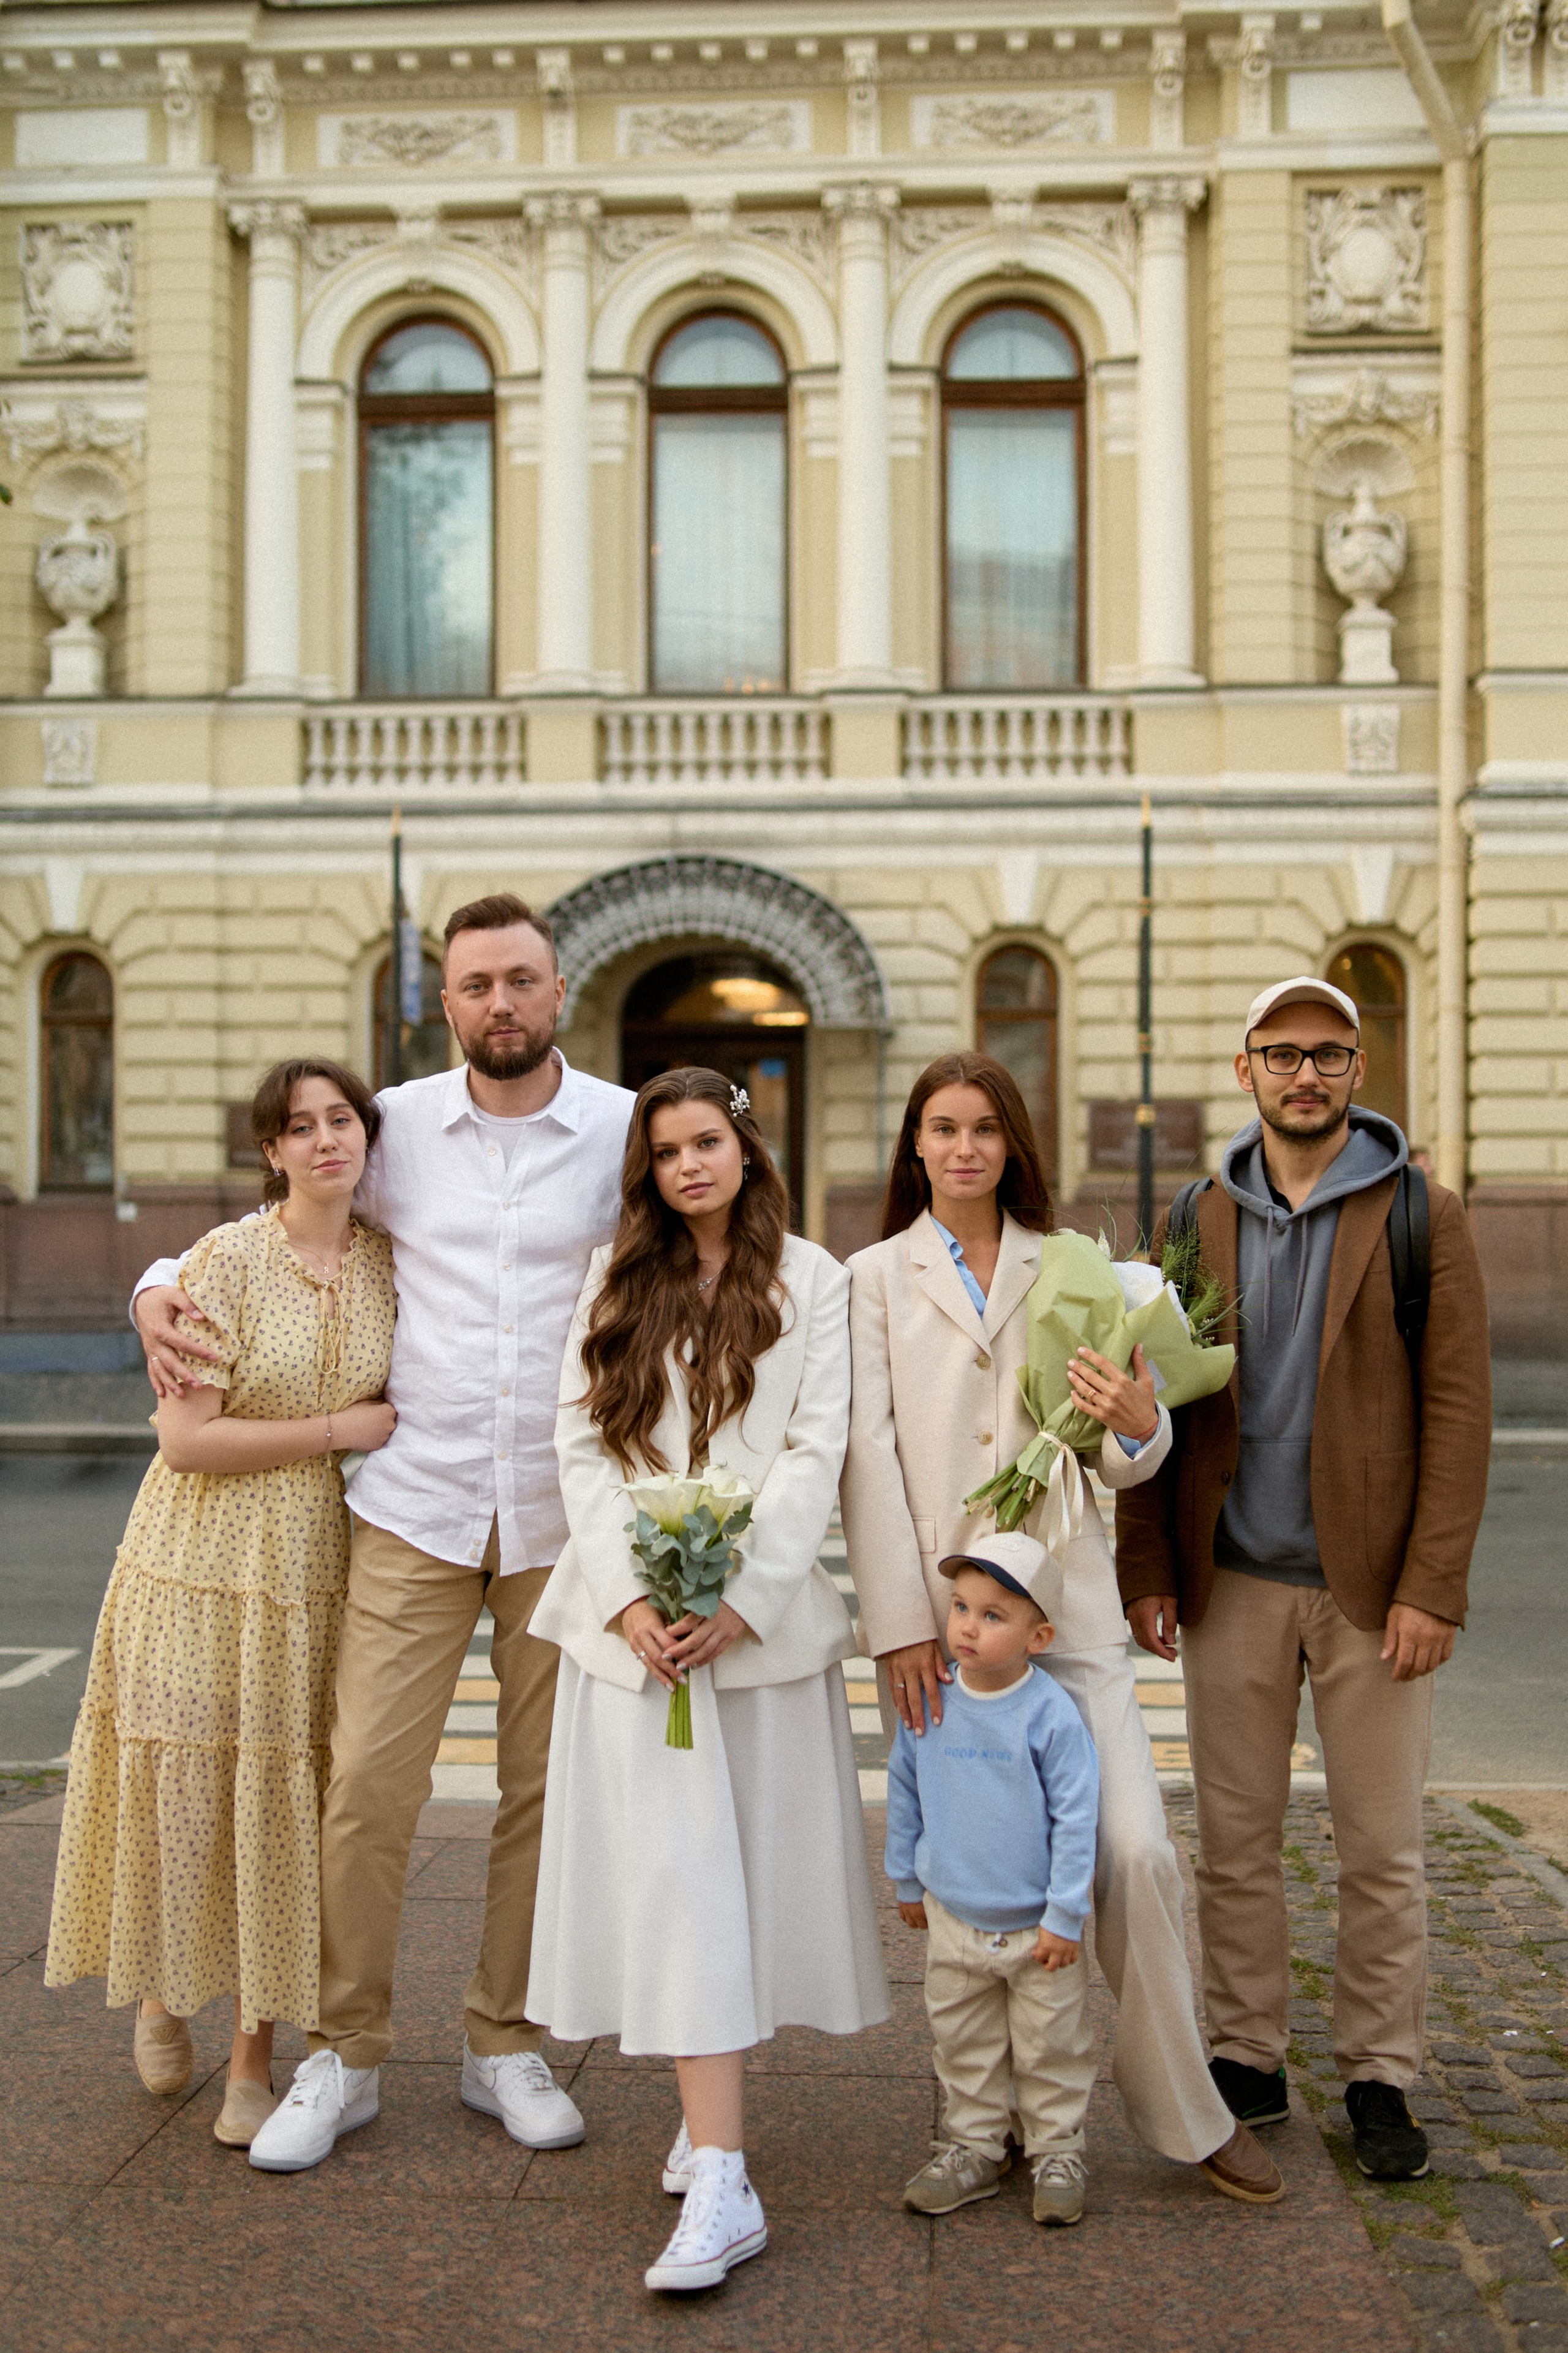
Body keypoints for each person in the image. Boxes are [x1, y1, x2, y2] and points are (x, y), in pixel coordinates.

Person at [127, 894, 633, 2173]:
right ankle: (343, 2052)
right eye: (476, 985)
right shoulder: (393, 1126)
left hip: (558, 1520)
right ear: (445, 1001)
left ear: (558, 988)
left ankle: (499, 2041)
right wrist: (150, 1291)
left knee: (542, 1793)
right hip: (411, 1506)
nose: (500, 1004)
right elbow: (257, 1225)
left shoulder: (622, 1132)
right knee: (362, 1789)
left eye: (521, 979)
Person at [841, 1050, 1285, 2206]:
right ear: (915, 1146)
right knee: (969, 1888)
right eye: (941, 1127)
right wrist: (902, 1625)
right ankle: (986, 2129)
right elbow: (869, 1463)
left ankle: (1189, 2119)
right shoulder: (873, 1280)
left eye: (986, 1126)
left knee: (1133, 1854)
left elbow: (1125, 1446)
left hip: (1068, 1620)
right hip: (951, 1632)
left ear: (1014, 1144)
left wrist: (1144, 1426)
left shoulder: (1078, 1266)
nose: (964, 1147)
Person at [1116, 976, 1491, 2183]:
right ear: (1245, 1071)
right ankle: (1245, 2056)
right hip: (1229, 1582)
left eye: (1326, 1055)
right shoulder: (1186, 1220)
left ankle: (1379, 2074)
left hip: (1370, 1591)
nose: (1303, 1075)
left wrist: (1430, 1585)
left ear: (1354, 1072)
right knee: (1232, 1844)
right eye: (1280, 1054)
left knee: (1380, 1849)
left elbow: (1456, 1410)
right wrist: (1147, 1569)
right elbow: (1140, 1401)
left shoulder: (1418, 1211)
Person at [527, 1067, 889, 2296]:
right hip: (634, 1642)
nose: (688, 1165)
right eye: (665, 1149)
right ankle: (720, 2161)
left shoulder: (814, 1280)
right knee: (674, 1883)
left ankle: (712, 2135)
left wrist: (736, 1599)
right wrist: (632, 1596)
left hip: (753, 1631)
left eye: (706, 1142)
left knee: (744, 1884)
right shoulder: (611, 1280)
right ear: (645, 1168)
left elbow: (812, 1447)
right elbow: (579, 1444)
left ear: (744, 1146)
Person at [47, 1060, 397, 2148]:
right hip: (199, 1555)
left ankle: (256, 2052)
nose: (326, 1141)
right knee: (191, 1784)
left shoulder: (392, 1259)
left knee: (286, 1803)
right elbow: (187, 1439)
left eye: (343, 1121)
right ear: (271, 1150)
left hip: (319, 1565)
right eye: (301, 1127)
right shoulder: (226, 1260)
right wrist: (338, 1431)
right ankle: (162, 1991)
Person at [888, 1532, 1100, 2229]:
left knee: (1050, 2044)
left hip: (1038, 1925)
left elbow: (1076, 1816)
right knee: (963, 2039)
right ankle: (975, 2144)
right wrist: (906, 1878)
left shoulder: (1049, 1714)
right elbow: (904, 1789)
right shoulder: (933, 1699)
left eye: (991, 1616)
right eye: (959, 1608)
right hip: (953, 1915)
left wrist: (1066, 1913)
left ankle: (1056, 2148)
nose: (967, 1628)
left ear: (1038, 1635)